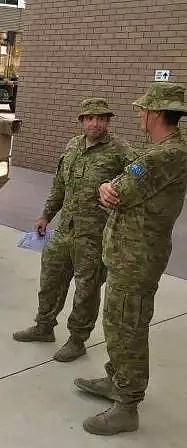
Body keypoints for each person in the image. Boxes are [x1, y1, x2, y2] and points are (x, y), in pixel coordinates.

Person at [77, 82, 187, 435]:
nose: (138, 115)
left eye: (142, 110)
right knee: (118, 322)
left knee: (128, 326)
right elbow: (119, 187)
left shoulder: (162, 155)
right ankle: (116, 379)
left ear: (155, 114)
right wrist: (110, 187)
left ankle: (127, 404)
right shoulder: (160, 151)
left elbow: (119, 192)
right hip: (128, 253)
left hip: (137, 257)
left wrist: (108, 188)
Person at [13, 98, 135, 362]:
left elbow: (138, 174)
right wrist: (46, 215)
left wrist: (119, 191)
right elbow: (59, 185)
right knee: (50, 280)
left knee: (86, 290)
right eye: (90, 118)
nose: (96, 123)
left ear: (108, 121)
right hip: (64, 230)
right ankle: (44, 326)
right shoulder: (72, 146)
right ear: (81, 121)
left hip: (94, 236)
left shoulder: (120, 149)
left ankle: (77, 340)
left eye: (101, 118)